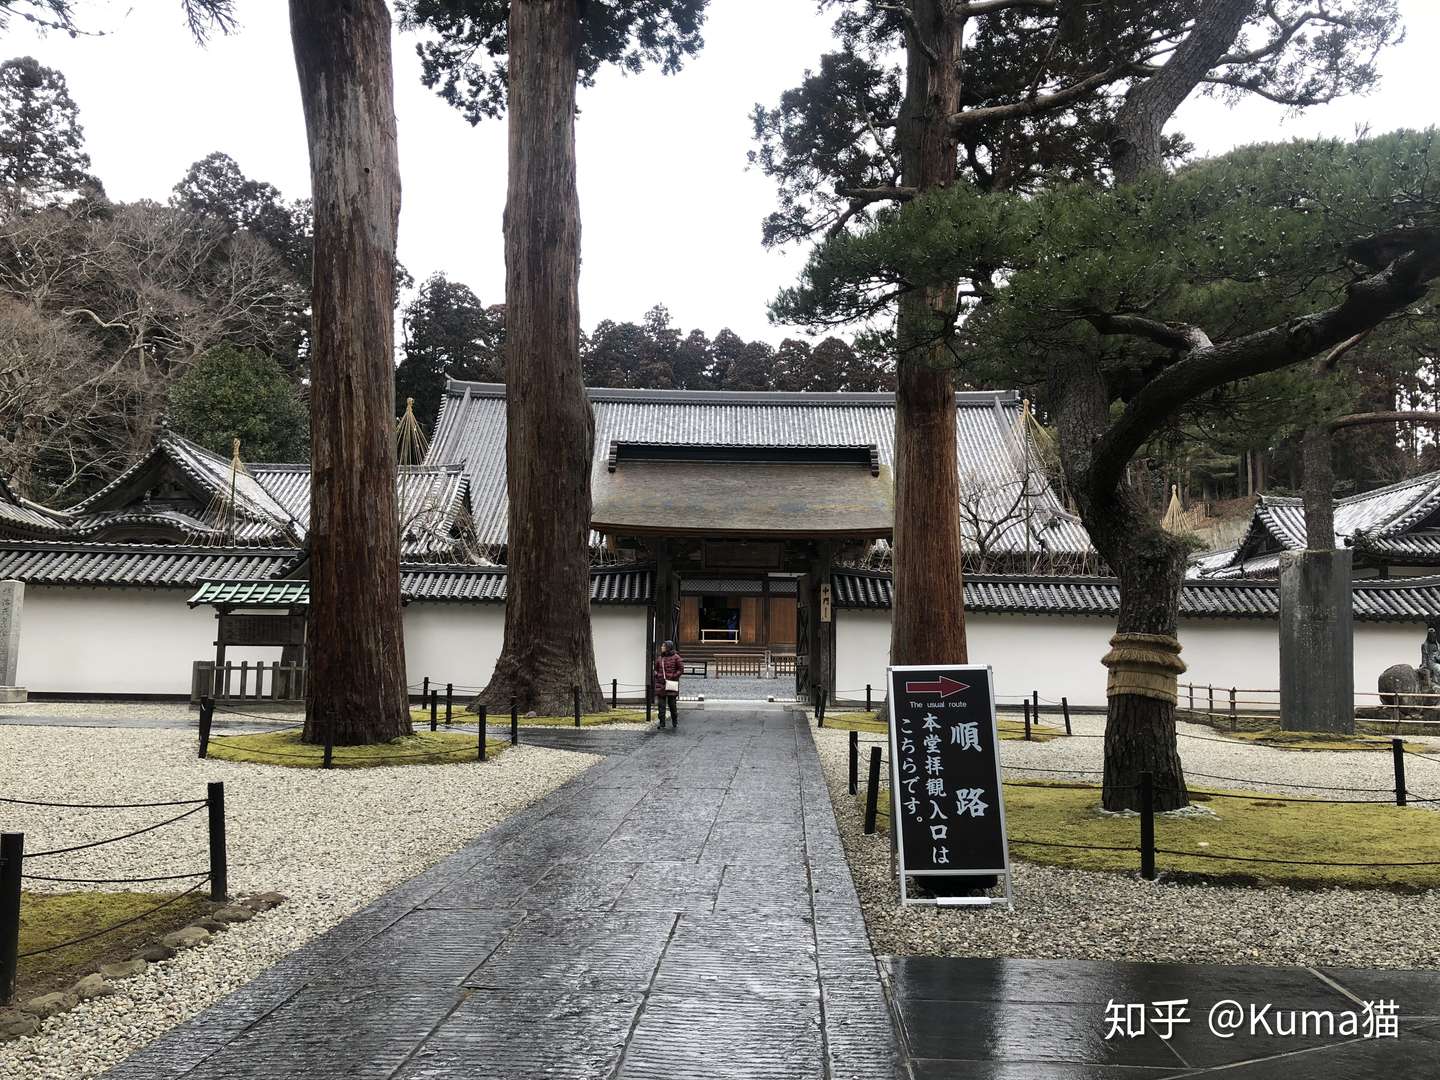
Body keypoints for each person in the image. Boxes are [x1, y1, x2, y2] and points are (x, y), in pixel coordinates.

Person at [653, 640, 683, 729]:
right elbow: (656, 669)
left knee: (672, 705)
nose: (661, 647)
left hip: (671, 684)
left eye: (663, 646)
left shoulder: (676, 657)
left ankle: (675, 721)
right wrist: (657, 675)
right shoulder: (660, 658)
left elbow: (681, 669)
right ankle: (662, 723)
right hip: (661, 684)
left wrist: (673, 676)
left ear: (668, 647)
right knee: (661, 706)